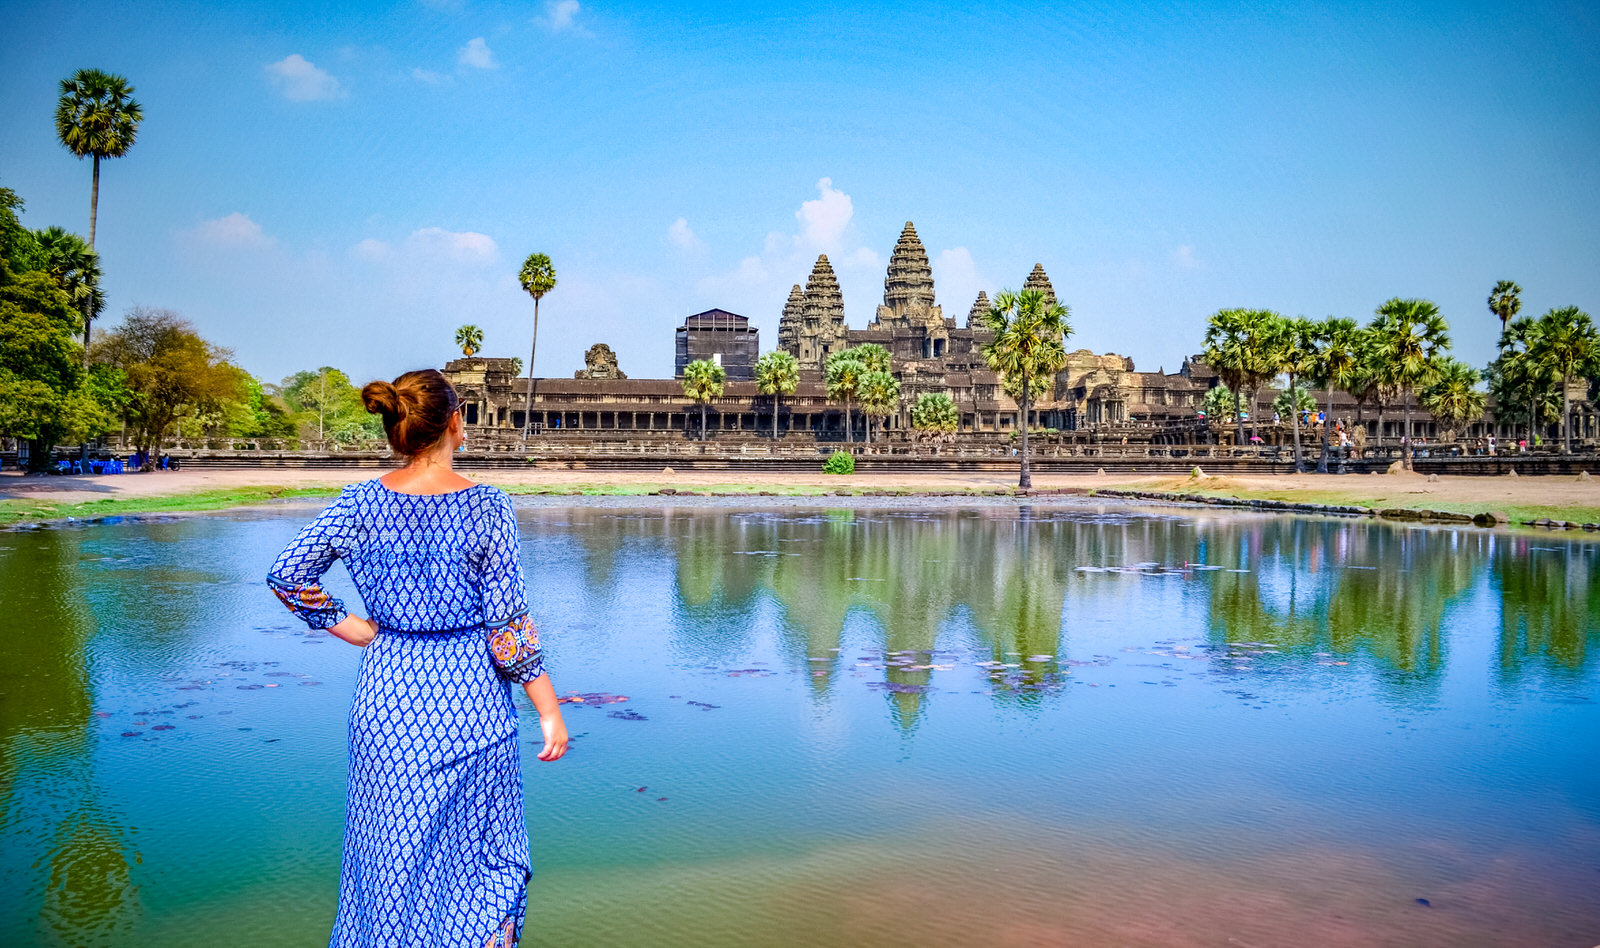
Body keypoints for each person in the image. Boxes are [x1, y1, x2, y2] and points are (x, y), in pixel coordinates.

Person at [267, 368, 567, 948]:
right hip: (470, 702)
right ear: (457, 424)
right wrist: (548, 709)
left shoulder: (359, 502)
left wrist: (350, 627)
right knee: (478, 859)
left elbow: (286, 574)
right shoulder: (485, 505)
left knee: (388, 864)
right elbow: (507, 624)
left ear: (395, 430)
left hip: (389, 697)